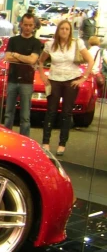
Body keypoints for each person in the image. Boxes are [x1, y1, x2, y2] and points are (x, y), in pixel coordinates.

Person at [38, 19, 94, 156]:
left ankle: (62, 143)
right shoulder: (51, 44)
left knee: (67, 113)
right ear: (58, 30)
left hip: (71, 80)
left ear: (70, 31)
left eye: (67, 29)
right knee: (51, 111)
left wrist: (83, 78)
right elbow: (40, 61)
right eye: (62, 28)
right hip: (54, 80)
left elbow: (90, 60)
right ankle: (45, 142)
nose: (64, 31)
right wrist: (43, 76)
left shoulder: (77, 43)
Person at [2, 13, 43, 138]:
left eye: (30, 25)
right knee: (8, 113)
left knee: (25, 116)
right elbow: (7, 57)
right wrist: (23, 57)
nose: (27, 28)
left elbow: (33, 60)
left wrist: (16, 55)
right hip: (12, 80)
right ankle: (6, 137)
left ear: (34, 26)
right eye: (25, 25)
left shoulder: (36, 43)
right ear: (21, 24)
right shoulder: (13, 40)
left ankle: (24, 140)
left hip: (27, 82)